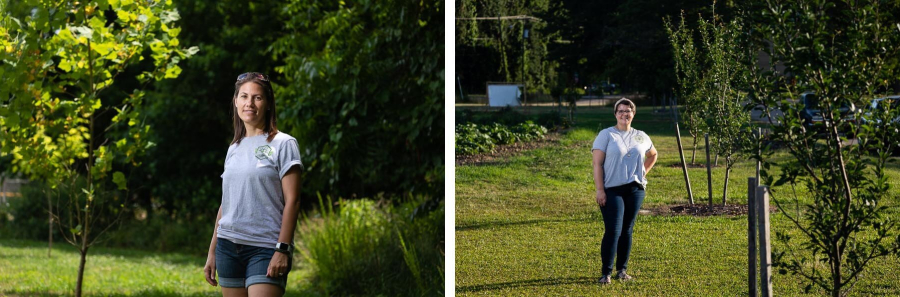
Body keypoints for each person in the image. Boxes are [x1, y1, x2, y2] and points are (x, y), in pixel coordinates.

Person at [203, 72, 303, 296]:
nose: (250, 103)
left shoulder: (284, 143)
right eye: (244, 96)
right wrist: (212, 252)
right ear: (236, 101)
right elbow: (226, 204)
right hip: (228, 248)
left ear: (268, 104)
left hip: (265, 247)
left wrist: (283, 249)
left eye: (257, 98)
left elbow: (293, 201)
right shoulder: (234, 147)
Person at [591, 98, 658, 284]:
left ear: (633, 113)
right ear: (615, 114)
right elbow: (597, 164)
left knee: (627, 230)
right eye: (620, 111)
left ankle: (622, 270)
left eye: (628, 111)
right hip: (611, 190)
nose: (624, 114)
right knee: (613, 230)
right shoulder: (606, 135)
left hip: (635, 189)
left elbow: (653, 155)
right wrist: (600, 190)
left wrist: (643, 171)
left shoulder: (641, 136)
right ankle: (606, 273)